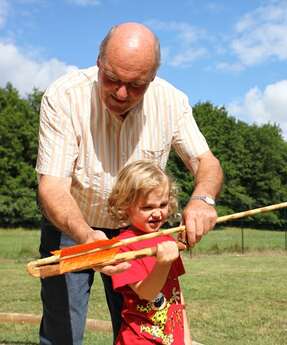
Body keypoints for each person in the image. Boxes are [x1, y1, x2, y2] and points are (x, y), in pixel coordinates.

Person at [35, 22, 223, 345]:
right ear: (98, 62)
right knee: (61, 333)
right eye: (112, 79)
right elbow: (51, 187)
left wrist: (203, 199)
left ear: (152, 78)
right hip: (73, 228)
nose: (121, 93)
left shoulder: (171, 102)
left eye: (136, 85)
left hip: (137, 235)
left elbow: (207, 163)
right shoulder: (64, 96)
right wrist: (88, 238)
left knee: (143, 329)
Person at [108, 159, 191, 345]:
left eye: (162, 205)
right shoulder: (123, 246)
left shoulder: (167, 240)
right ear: (125, 205)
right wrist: (163, 263)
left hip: (172, 337)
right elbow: (146, 292)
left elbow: (177, 296)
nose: (157, 213)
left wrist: (185, 339)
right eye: (147, 207)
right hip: (139, 339)